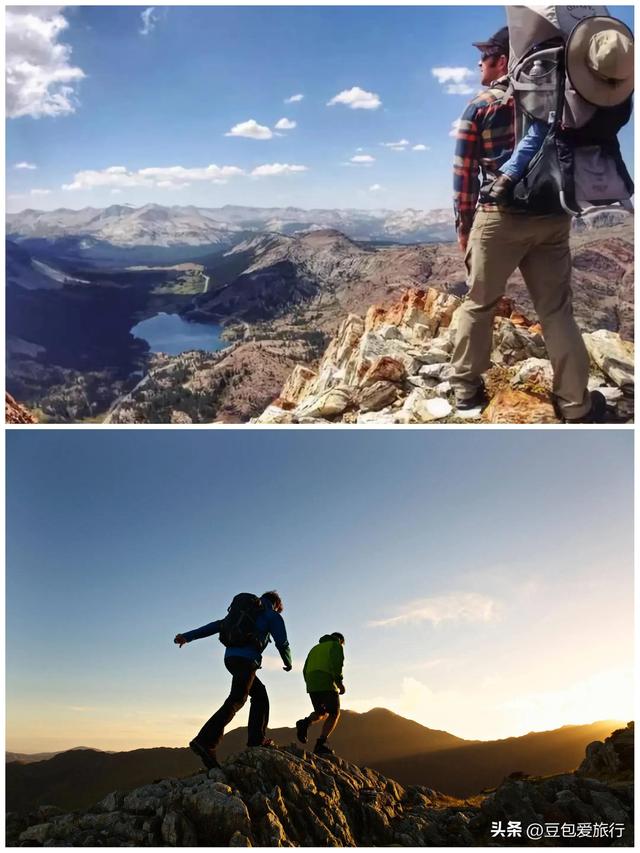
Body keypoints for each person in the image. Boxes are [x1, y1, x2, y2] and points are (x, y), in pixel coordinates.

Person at [450, 26, 605, 423]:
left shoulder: (482, 105)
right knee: (556, 312)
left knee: (479, 303)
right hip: (553, 217)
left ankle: (465, 390)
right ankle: (575, 404)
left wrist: (464, 225)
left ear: (503, 59)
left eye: (484, 56)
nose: (478, 64)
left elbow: (464, 174)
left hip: (499, 219)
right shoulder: (564, 100)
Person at [174, 590, 292, 769]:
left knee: (260, 695)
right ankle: (206, 741)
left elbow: (216, 625)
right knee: (237, 699)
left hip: (230, 659)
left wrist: (187, 636)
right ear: (276, 605)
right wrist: (288, 661)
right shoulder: (271, 615)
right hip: (247, 660)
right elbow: (282, 642)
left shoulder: (241, 613)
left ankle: (256, 739)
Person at [295, 632, 345, 756]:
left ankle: (304, 723)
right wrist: (339, 683)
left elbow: (304, 669)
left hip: (312, 684)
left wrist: (310, 684)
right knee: (334, 713)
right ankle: (321, 744)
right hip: (325, 681)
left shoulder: (315, 648)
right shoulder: (336, 646)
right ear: (340, 640)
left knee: (321, 713)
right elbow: (337, 664)